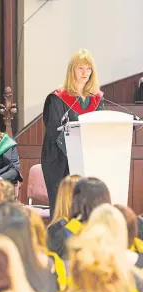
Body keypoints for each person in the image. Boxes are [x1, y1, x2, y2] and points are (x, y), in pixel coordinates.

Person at [41, 49, 104, 216]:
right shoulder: (57, 98)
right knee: (64, 208)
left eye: (88, 68)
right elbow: (54, 131)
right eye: (80, 68)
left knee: (85, 209)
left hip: (87, 159)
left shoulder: (96, 99)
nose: (85, 73)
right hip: (59, 160)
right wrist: (76, 154)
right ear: (72, 70)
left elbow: (99, 128)